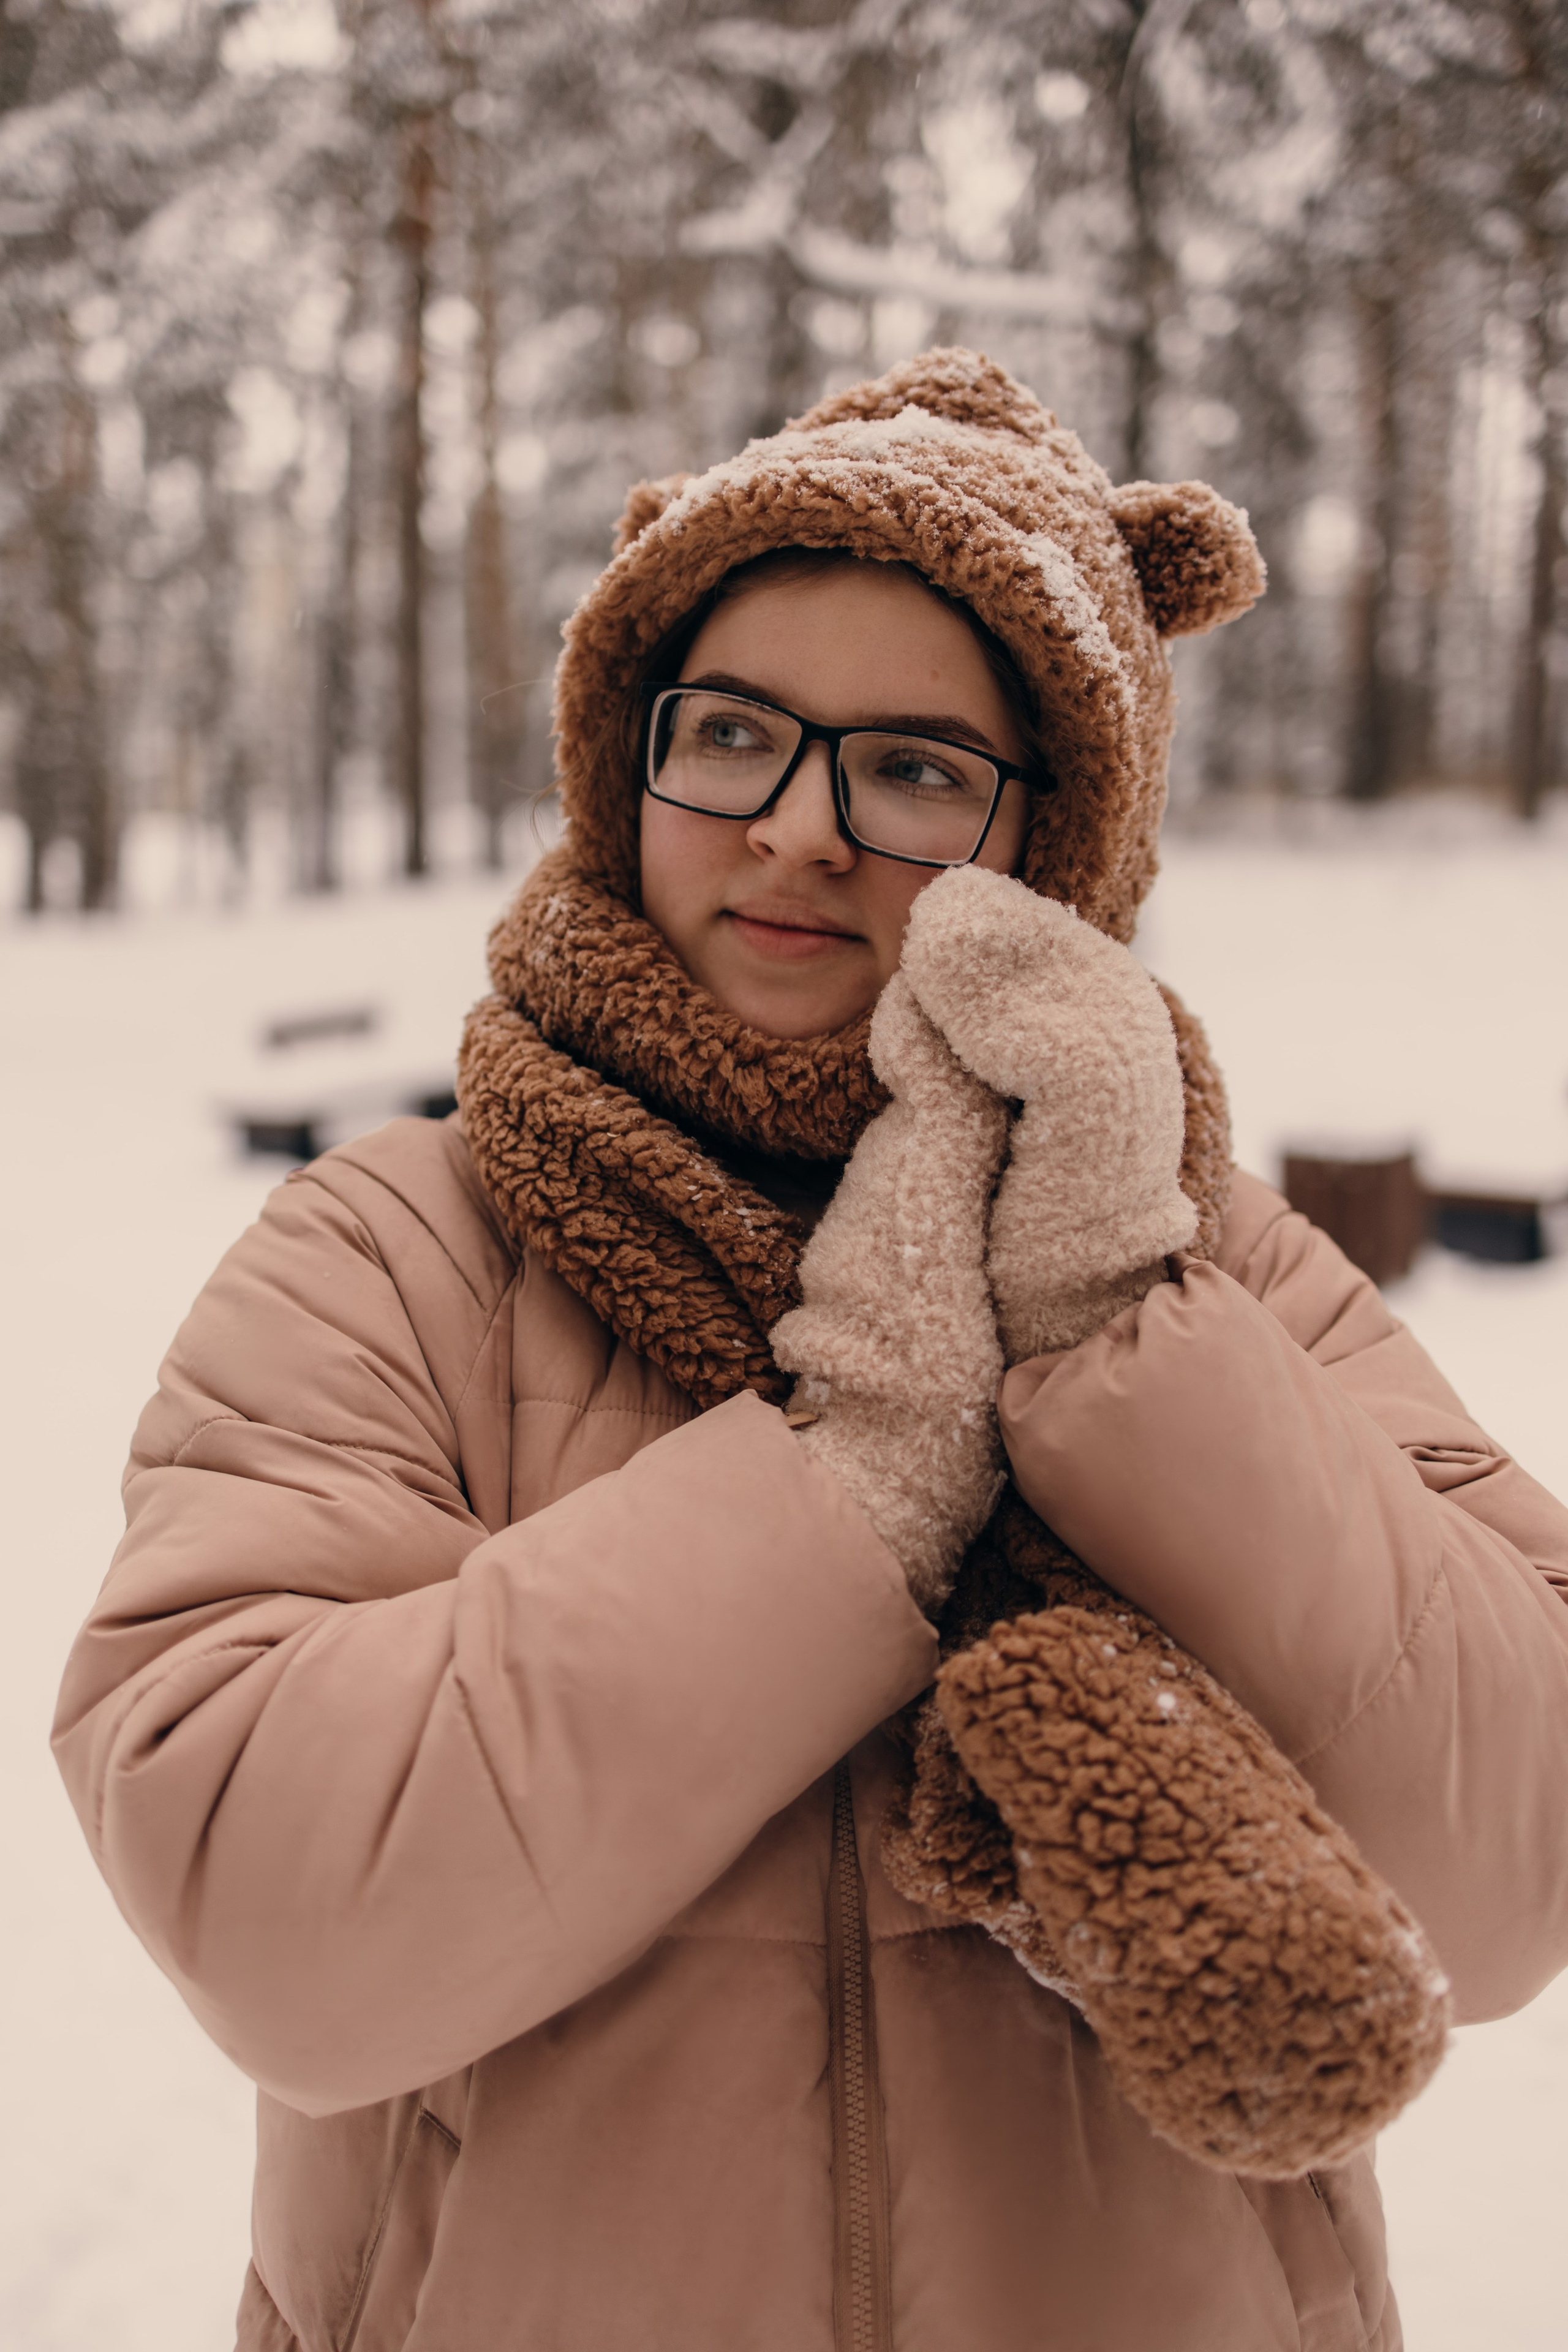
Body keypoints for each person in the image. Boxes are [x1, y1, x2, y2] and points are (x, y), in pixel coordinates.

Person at [53, 350, 1568, 2352]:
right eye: (737, 735)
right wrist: (855, 1472)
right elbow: (279, 1921)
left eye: (918, 769)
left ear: (1055, 852)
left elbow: (1510, 1871)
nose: (797, 832)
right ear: (632, 763)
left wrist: (1119, 1326)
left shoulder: (1232, 1279)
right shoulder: (394, 1254)